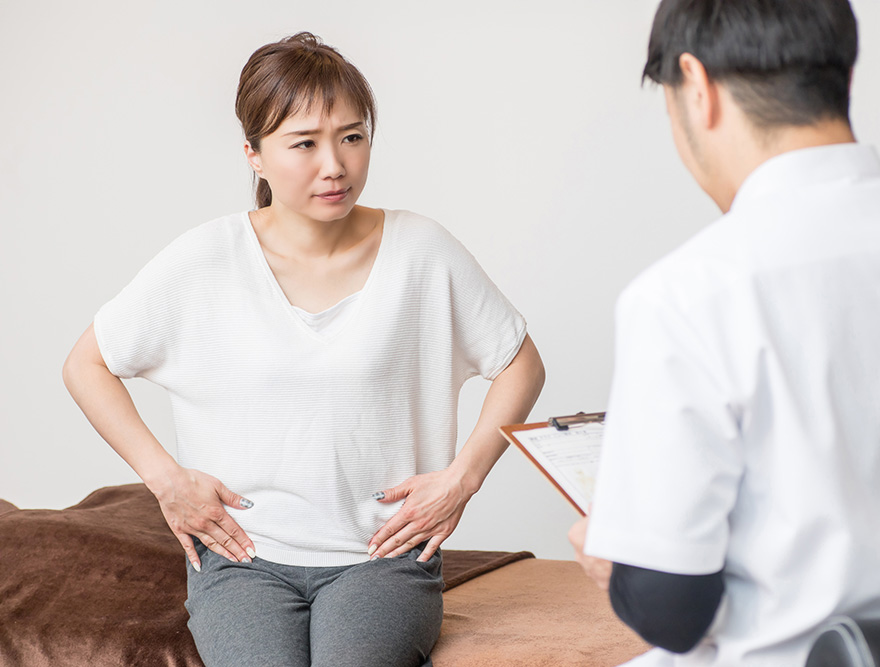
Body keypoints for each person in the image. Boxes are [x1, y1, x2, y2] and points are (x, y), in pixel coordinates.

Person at [62, 32, 544, 667]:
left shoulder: (422, 250)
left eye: (352, 136)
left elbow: (521, 364)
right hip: (242, 561)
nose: (335, 165)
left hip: (380, 559)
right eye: (304, 143)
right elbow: (86, 365)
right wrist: (166, 480)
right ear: (254, 155)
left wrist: (463, 478)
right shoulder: (207, 259)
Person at [569, 1, 880, 665]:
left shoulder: (685, 295)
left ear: (697, 86)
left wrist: (618, 563)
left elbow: (671, 611)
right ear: (842, 81)